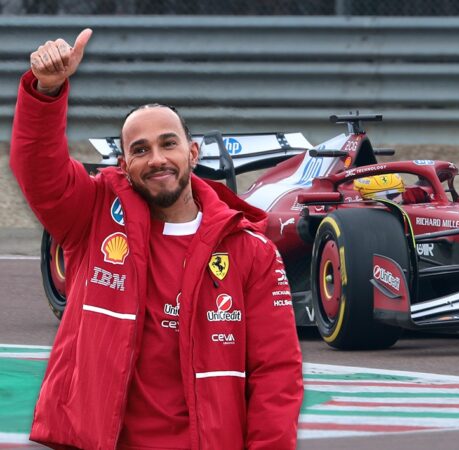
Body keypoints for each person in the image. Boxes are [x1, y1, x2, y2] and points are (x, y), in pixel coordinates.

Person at [10, 29, 303, 450]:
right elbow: (38, 168)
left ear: (193, 153)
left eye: (169, 144)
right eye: (140, 150)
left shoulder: (250, 250)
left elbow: (276, 373)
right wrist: (46, 90)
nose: (157, 159)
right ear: (124, 165)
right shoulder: (92, 216)